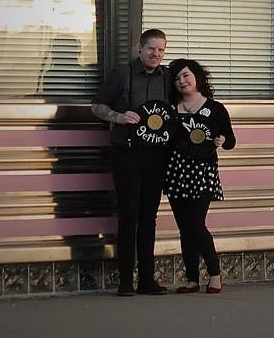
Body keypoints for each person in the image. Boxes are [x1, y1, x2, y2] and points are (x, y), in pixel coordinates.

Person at [91, 28, 172, 297]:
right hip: (126, 154)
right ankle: (125, 280)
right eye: (151, 49)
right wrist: (117, 117)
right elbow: (97, 105)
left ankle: (147, 279)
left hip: (157, 156)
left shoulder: (168, 77)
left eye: (161, 50)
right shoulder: (121, 74)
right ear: (140, 48)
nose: (156, 54)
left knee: (149, 218)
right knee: (129, 216)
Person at [165, 58, 236, 295]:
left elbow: (231, 141)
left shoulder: (215, 108)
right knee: (185, 228)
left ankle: (215, 275)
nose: (182, 81)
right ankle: (192, 279)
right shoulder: (169, 108)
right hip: (176, 171)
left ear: (197, 77)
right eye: (176, 78)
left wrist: (222, 141)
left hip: (202, 172)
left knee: (196, 225)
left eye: (186, 75)